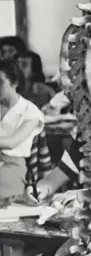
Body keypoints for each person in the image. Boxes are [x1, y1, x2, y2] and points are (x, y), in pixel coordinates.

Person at [0, 58, 45, 202]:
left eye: (0, 83)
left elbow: (13, 142)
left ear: (15, 83)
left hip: (11, 166)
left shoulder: (30, 112)